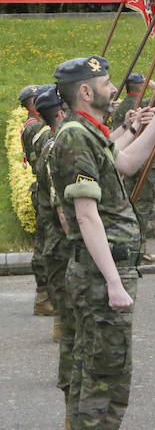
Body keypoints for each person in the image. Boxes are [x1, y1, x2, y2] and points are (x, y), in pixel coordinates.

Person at [49, 55, 155, 430]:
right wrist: (113, 283)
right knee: (106, 377)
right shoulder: (76, 136)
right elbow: (85, 214)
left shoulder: (87, 131)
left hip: (100, 270)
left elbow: (126, 163)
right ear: (84, 90)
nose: (113, 90)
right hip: (99, 274)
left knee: (91, 368)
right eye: (107, 83)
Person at [33, 87, 76, 416]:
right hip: (62, 245)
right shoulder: (54, 146)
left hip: (58, 244)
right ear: (60, 113)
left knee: (69, 317)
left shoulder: (52, 140)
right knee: (72, 321)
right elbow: (62, 209)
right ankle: (70, 389)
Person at [110, 72, 155, 264]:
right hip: (142, 160)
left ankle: (129, 246)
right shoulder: (147, 102)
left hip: (122, 157)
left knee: (129, 202)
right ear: (140, 86)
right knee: (143, 206)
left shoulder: (121, 107)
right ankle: (138, 249)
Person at [19, 84, 55, 316]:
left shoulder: (35, 126)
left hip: (42, 189)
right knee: (47, 244)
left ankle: (45, 297)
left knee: (46, 242)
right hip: (45, 191)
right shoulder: (38, 128)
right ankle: (45, 297)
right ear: (33, 103)